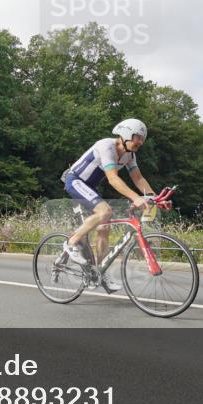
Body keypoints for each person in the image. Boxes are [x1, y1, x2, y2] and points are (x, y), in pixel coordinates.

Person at [61, 119, 155, 293]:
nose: (140, 142)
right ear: (126, 135)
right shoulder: (106, 146)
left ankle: (99, 271)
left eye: (142, 139)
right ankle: (72, 242)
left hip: (91, 187)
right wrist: (136, 198)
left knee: (104, 228)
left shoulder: (129, 155)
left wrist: (153, 198)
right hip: (75, 180)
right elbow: (112, 178)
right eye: (137, 137)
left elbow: (138, 179)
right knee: (105, 211)